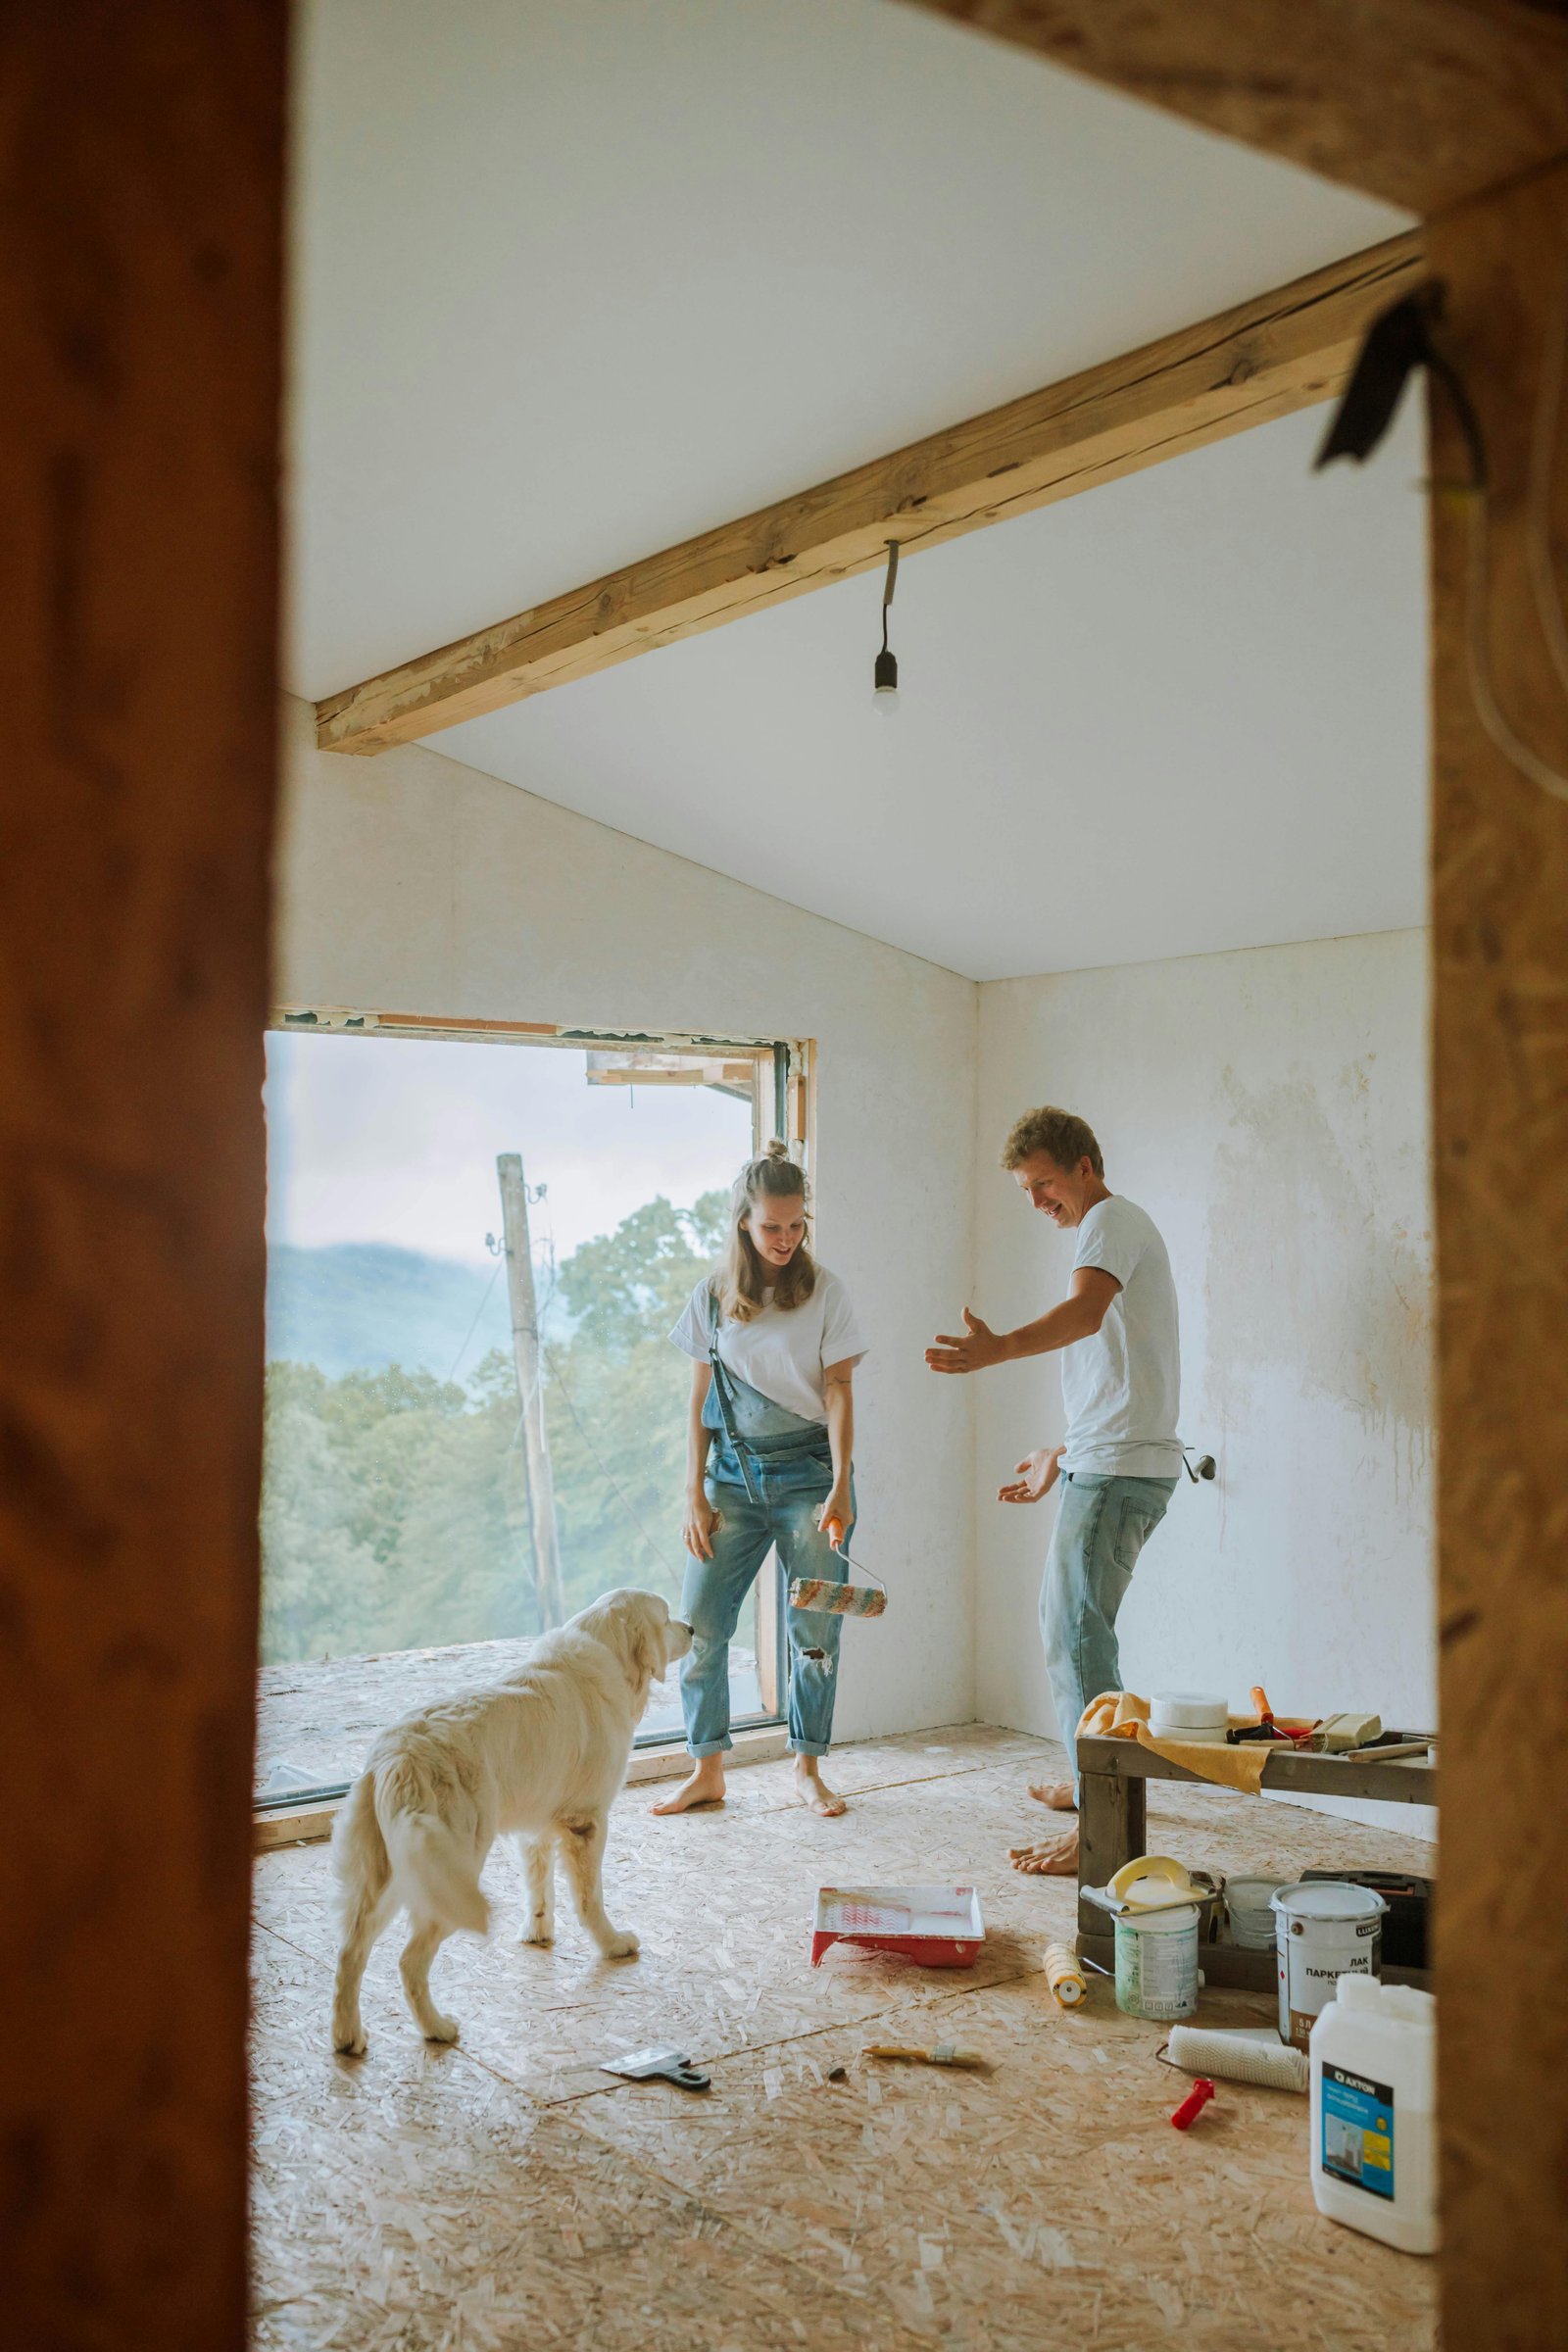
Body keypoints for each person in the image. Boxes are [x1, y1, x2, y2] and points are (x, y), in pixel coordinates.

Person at [926, 1106, 1180, 1875]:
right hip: (1108, 1461)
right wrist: (1062, 1454)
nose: (1039, 1203)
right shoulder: (1115, 1227)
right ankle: (1088, 1784)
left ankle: (1101, 1825)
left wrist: (999, 1347)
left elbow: (1083, 1314)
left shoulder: (1108, 1221)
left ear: (1084, 1166)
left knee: (1074, 1638)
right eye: (1026, 1191)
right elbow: (1127, 1380)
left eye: (1044, 1184)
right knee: (1072, 1629)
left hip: (1119, 1473)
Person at [652, 1141, 867, 1820]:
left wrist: (840, 1484)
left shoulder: (826, 1290)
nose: (785, 1238)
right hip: (731, 1482)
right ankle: (706, 1768)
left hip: (812, 1477)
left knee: (815, 1633)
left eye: (796, 1224)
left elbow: (838, 1391)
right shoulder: (712, 1298)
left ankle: (806, 1768)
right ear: (743, 1221)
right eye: (771, 1225)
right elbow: (697, 1405)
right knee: (702, 1628)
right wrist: (692, 1494)